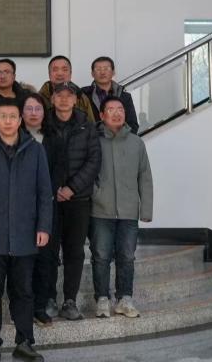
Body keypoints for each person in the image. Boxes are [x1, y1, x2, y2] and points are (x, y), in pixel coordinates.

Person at [0, 100, 52, 362]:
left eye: (12, 116)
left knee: (24, 291)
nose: (8, 121)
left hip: (25, 232)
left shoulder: (35, 150)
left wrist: (43, 226)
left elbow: (44, 192)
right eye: (3, 116)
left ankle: (24, 342)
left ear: (20, 120)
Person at [33, 82, 101, 325]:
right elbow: (40, 163)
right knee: (48, 251)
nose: (63, 99)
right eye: (59, 95)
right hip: (49, 199)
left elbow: (94, 161)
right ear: (52, 99)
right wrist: (53, 190)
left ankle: (70, 300)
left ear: (75, 100)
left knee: (74, 251)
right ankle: (49, 297)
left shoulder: (87, 125)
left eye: (68, 95)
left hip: (78, 199)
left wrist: (71, 188)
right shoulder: (44, 124)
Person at [91, 96, 153, 319]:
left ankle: (124, 299)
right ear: (102, 115)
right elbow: (87, 172)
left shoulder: (136, 143)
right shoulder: (94, 141)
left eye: (120, 109)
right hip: (100, 210)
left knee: (127, 256)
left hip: (128, 211)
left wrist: (146, 209)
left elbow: (145, 177)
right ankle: (102, 298)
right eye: (111, 109)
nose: (116, 113)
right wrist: (96, 194)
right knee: (101, 256)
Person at [82, 56, 140, 134]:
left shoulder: (125, 96)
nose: (102, 72)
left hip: (120, 140)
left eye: (106, 69)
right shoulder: (84, 95)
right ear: (92, 74)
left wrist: (118, 137)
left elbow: (133, 124)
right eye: (98, 69)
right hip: (93, 140)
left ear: (113, 72)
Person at [37, 56, 97, 122]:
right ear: (49, 74)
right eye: (55, 70)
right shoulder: (39, 98)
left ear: (70, 74)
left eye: (65, 70)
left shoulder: (81, 98)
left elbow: (91, 124)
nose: (60, 73)